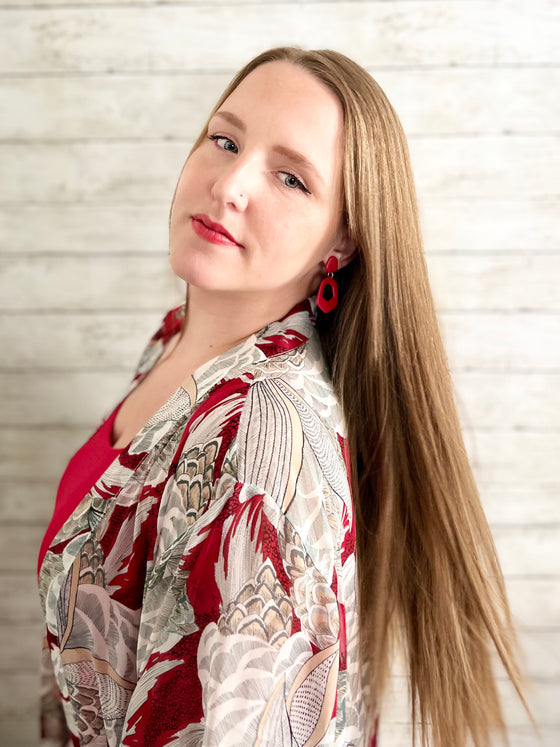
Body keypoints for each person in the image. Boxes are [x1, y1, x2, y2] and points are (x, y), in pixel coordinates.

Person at [38, 47, 529, 747]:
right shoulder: (176, 341)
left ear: (344, 240)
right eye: (225, 140)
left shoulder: (256, 447)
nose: (230, 184)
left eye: (291, 178)